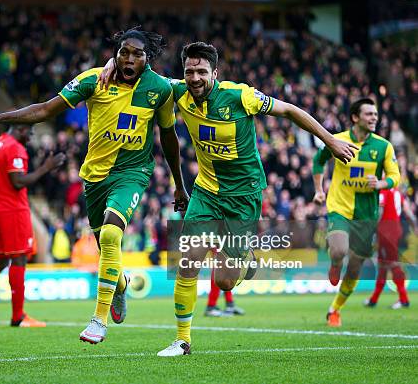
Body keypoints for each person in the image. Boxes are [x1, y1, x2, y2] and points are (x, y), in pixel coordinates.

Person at [98, 42, 357, 356]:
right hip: (206, 191)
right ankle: (183, 340)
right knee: (187, 261)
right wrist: (112, 63)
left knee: (223, 282)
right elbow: (139, 72)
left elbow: (289, 110)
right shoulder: (177, 91)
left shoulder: (240, 96)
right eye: (189, 71)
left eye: (201, 72)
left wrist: (329, 140)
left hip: (243, 197)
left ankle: (245, 257)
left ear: (215, 73)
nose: (194, 78)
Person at [0, 27, 188, 344]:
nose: (130, 58)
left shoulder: (160, 89)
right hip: (95, 177)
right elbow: (46, 109)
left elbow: (169, 138)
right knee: (107, 247)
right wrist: (1, 117)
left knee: (113, 233)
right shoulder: (93, 80)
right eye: (124, 52)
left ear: (148, 59)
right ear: (115, 54)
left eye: (137, 53)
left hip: (132, 172)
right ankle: (119, 285)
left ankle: (98, 321)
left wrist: (179, 183)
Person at [0, 123, 65, 328]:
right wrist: (46, 168)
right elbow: (17, 182)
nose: (31, 137)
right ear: (21, 129)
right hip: (12, 210)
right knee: (19, 259)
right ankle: (18, 316)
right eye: (30, 132)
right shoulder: (14, 147)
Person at [312, 98, 400, 327]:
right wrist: (319, 190)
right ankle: (334, 262)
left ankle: (335, 309)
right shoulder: (336, 140)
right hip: (340, 207)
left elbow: (396, 176)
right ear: (355, 117)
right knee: (339, 250)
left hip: (367, 214)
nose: (374, 118)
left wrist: (381, 184)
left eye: (376, 114)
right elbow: (318, 161)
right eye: (369, 114)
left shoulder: (383, 146)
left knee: (354, 268)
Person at [364, 187, 416, 309]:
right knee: (382, 264)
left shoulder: (384, 192)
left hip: (386, 229)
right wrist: (414, 225)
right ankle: (374, 299)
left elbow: (381, 211)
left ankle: (404, 299)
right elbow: (408, 212)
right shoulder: (398, 192)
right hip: (396, 228)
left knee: (392, 263)